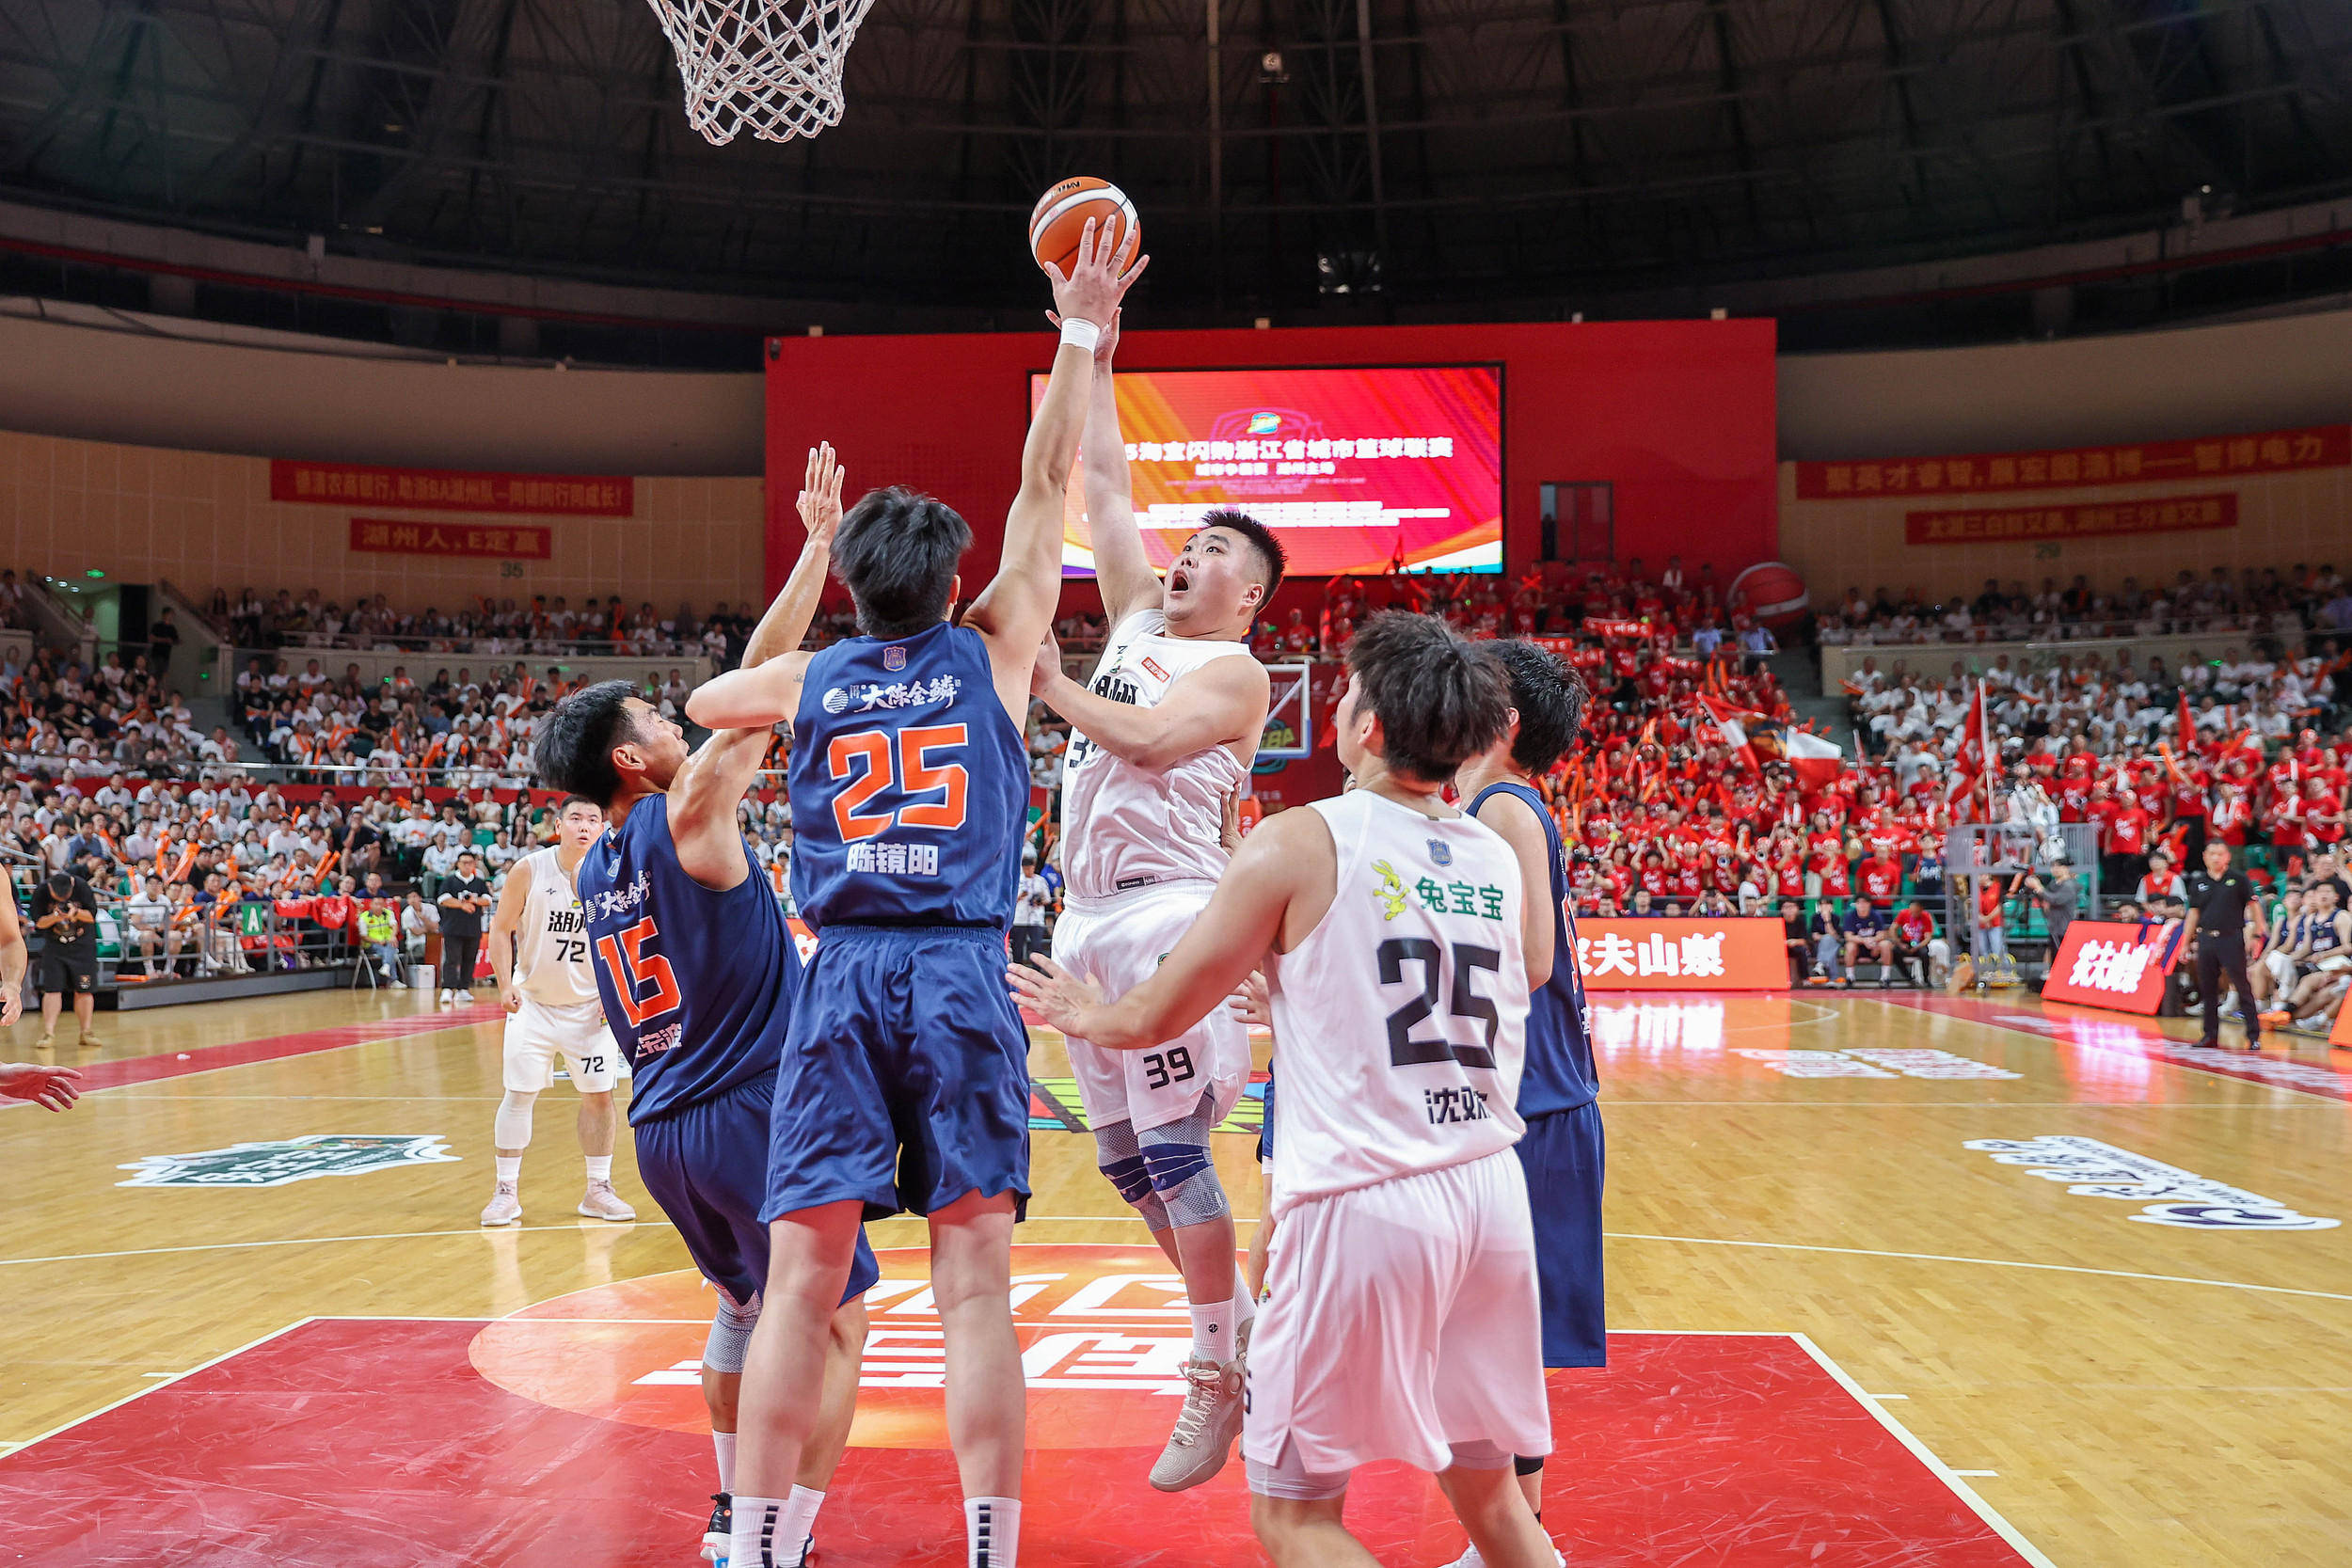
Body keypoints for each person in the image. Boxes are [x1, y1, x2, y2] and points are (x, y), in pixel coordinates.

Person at [687, 222, 1143, 1568]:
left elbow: (716, 700)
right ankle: (992, 1545)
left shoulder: (810, 679)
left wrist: (808, 569)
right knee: (975, 1292)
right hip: (958, 969)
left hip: (839, 978)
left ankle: (760, 1540)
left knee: (799, 1287)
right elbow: (1046, 471)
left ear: (855, 590)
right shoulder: (1000, 641)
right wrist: (1076, 327)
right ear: (953, 583)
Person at [1011, 612, 1554, 1568]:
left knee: (1294, 1516)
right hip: (1490, 1199)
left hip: (1364, 1200)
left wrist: (1086, 1012)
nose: (1336, 709)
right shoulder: (1494, 857)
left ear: (1371, 728)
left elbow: (1151, 1013)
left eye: (1345, 697)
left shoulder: (1302, 838)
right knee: (1499, 1510)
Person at [538, 441, 877, 1568]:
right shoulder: (683, 813)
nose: (682, 720)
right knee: (832, 1323)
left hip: (664, 1131)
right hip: (753, 1108)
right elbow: (756, 682)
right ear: (634, 758)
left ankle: (735, 1516)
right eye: (658, 717)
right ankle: (781, 1538)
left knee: (740, 1312)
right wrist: (819, 554)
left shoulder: (592, 865)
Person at [1026, 304, 1281, 1491]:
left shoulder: (1237, 671)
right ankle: (1250, 1342)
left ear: (1249, 599)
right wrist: (1097, 345)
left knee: (1179, 1156)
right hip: (1086, 917)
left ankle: (1216, 1372)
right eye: (1198, 542)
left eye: (1222, 552)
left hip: (1171, 912)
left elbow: (1147, 741)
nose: (1192, 552)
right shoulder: (1136, 612)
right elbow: (1109, 483)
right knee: (1126, 1164)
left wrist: (1047, 682)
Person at [1451, 639, 1598, 1566]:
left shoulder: (1502, 806)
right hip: (1525, 1097)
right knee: (1489, 1326)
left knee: (1505, 1329)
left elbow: (1532, 958)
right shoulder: (1489, 802)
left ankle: (1521, 1535)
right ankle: (1511, 1532)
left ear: (1505, 722)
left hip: (1534, 1101)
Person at [478, 794, 635, 1227]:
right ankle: (505, 1192)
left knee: (600, 1097)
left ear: (603, 826)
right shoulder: (530, 869)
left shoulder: (615, 871)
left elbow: (628, 938)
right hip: (534, 1005)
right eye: (575, 819)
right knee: (519, 1094)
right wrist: (505, 983)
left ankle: (598, 1189)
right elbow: (501, 928)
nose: (584, 826)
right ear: (558, 824)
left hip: (590, 1009)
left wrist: (617, 993)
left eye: (593, 819)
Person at [2177, 839, 2265, 1050]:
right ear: (2205, 857)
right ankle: (2210, 1035)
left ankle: (2253, 1036)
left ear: (2227, 856)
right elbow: (2193, 913)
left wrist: (2257, 936)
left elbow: (2254, 906)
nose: (2216, 857)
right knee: (2207, 989)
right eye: (2212, 853)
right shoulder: (2198, 881)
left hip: (2231, 937)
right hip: (2206, 938)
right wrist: (2185, 943)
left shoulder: (2238, 879)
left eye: (2220, 853)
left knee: (2242, 986)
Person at [30, 868, 101, 1047]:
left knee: (84, 989)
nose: (61, 901)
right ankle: (48, 1033)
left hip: (83, 949)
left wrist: (75, 913)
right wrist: (55, 917)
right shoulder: (41, 891)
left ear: (72, 886)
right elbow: (39, 923)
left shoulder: (82, 887)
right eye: (57, 898)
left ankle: (86, 1032)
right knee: (52, 989)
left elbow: (92, 916)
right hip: (55, 949)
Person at [435, 849, 493, 1004]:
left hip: (473, 928)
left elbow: (487, 900)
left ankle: (463, 989)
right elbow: (443, 899)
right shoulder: (450, 881)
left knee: (469, 959)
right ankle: (448, 989)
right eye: (463, 863)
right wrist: (462, 905)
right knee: (452, 959)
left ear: (474, 864)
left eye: (470, 863)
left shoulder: (479, 882)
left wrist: (473, 901)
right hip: (453, 927)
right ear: (458, 864)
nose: (467, 866)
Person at [1010, 847, 1052, 970]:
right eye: (1026, 868)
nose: (1028, 870)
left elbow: (1048, 899)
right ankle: (1017, 971)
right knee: (1017, 947)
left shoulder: (1041, 880)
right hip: (1020, 917)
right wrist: (1019, 897)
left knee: (1036, 947)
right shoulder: (1017, 880)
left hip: (1036, 917)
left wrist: (1040, 901)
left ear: (1034, 867)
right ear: (1022, 868)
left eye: (1030, 867)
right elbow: (1010, 900)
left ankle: (1037, 972)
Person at [1839, 896, 1895, 986]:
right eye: (1859, 903)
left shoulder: (1876, 915)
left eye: (1864, 903)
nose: (1862, 905)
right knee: (1850, 946)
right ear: (1856, 905)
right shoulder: (1850, 916)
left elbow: (1882, 934)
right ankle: (1850, 977)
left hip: (1873, 947)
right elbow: (1848, 936)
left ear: (1869, 904)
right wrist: (1864, 940)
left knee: (1886, 944)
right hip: (1858, 948)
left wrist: (1872, 940)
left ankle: (1885, 977)